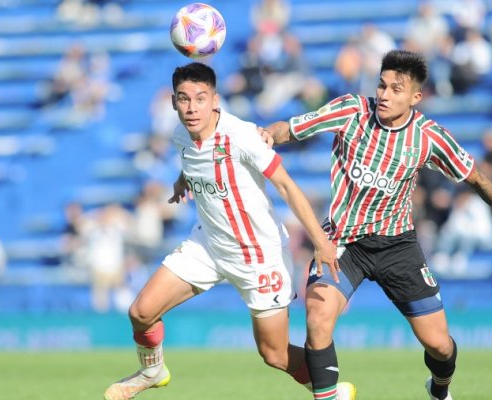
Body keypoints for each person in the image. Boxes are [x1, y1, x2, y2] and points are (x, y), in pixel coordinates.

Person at [262, 49, 492, 400]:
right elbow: (291, 129)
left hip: (397, 247)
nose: (385, 95)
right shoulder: (351, 110)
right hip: (343, 243)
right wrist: (267, 133)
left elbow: (476, 178)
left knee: (439, 346)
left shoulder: (429, 136)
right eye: (382, 85)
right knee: (317, 319)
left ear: (415, 97)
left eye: (396, 89)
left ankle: (439, 389)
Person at [103, 62, 356, 400]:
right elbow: (194, 160)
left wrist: (321, 243)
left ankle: (330, 390)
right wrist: (183, 181)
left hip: (259, 256)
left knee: (275, 354)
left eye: (200, 98)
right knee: (141, 312)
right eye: (183, 99)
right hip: (207, 244)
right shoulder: (181, 133)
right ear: (174, 102)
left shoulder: (241, 136)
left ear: (216, 101)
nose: (192, 108)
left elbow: (286, 186)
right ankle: (152, 371)